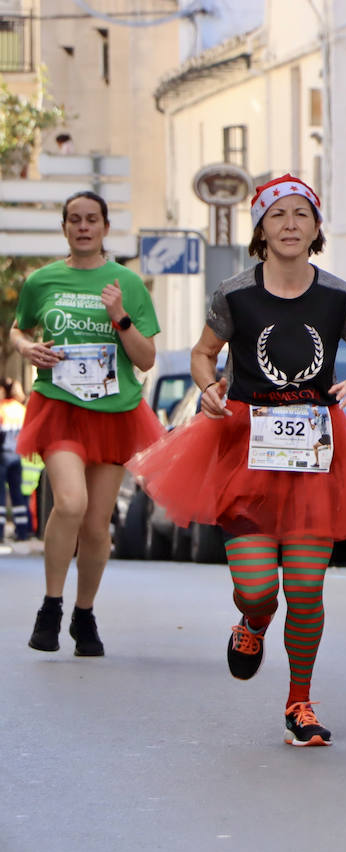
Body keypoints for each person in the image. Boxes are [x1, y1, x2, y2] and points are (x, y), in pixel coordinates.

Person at [127, 175, 346, 747]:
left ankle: (300, 701)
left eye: (302, 214)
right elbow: (203, 354)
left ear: (317, 227)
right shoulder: (235, 294)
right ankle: (252, 622)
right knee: (256, 587)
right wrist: (208, 389)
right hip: (245, 448)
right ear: (261, 229)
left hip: (315, 451)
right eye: (278, 216)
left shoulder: (340, 296)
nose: (291, 224)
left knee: (305, 586)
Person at [10, 191, 164, 655]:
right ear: (64, 228)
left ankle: (84, 613)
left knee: (97, 525)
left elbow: (147, 358)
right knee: (71, 503)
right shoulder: (43, 280)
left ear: (104, 227)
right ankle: (51, 606)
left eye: (91, 220)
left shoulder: (127, 283)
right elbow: (20, 327)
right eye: (74, 220)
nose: (82, 227)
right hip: (59, 404)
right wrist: (24, 348)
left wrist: (119, 317)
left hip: (115, 410)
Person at [1, 379, 30, 542]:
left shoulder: (2, 408)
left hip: (3, 456)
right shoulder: (22, 410)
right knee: (17, 495)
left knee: (0, 496)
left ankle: (0, 532)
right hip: (17, 456)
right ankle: (22, 531)